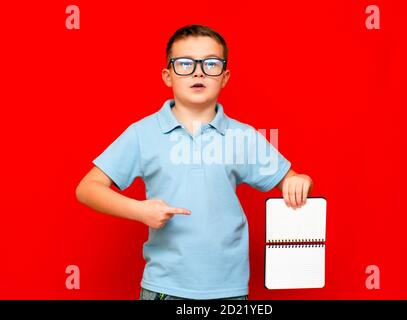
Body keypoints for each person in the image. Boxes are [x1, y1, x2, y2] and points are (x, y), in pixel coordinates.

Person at [76, 24, 313, 300]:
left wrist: (299, 180)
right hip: (164, 288)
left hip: (230, 291)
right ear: (168, 76)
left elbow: (290, 180)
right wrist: (139, 210)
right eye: (185, 64)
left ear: (224, 77)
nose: (198, 71)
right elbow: (87, 188)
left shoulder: (243, 136)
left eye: (211, 63)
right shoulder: (143, 133)